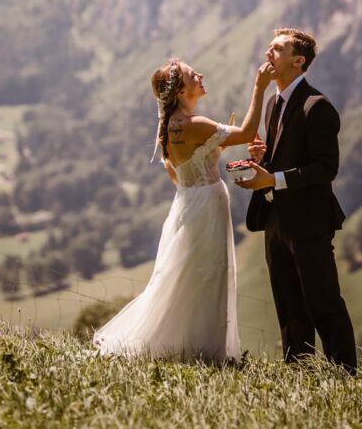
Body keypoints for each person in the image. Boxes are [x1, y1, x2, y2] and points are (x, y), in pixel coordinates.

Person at [93, 57, 271, 363]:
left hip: (190, 202)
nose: (200, 75)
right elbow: (245, 132)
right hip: (206, 205)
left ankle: (192, 347)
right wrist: (259, 87)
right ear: (180, 91)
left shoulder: (171, 126)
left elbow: (180, 169)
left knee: (189, 274)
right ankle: (202, 350)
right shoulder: (194, 124)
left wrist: (213, 151)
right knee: (208, 274)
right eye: (192, 75)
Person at [235, 27, 357, 371]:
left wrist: (272, 178)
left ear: (298, 61)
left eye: (277, 49)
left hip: (308, 221)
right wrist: (261, 159)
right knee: (288, 304)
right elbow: (284, 158)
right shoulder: (274, 102)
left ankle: (344, 376)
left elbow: (325, 169)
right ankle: (299, 373)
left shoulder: (317, 106)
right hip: (275, 219)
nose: (268, 53)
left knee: (323, 301)